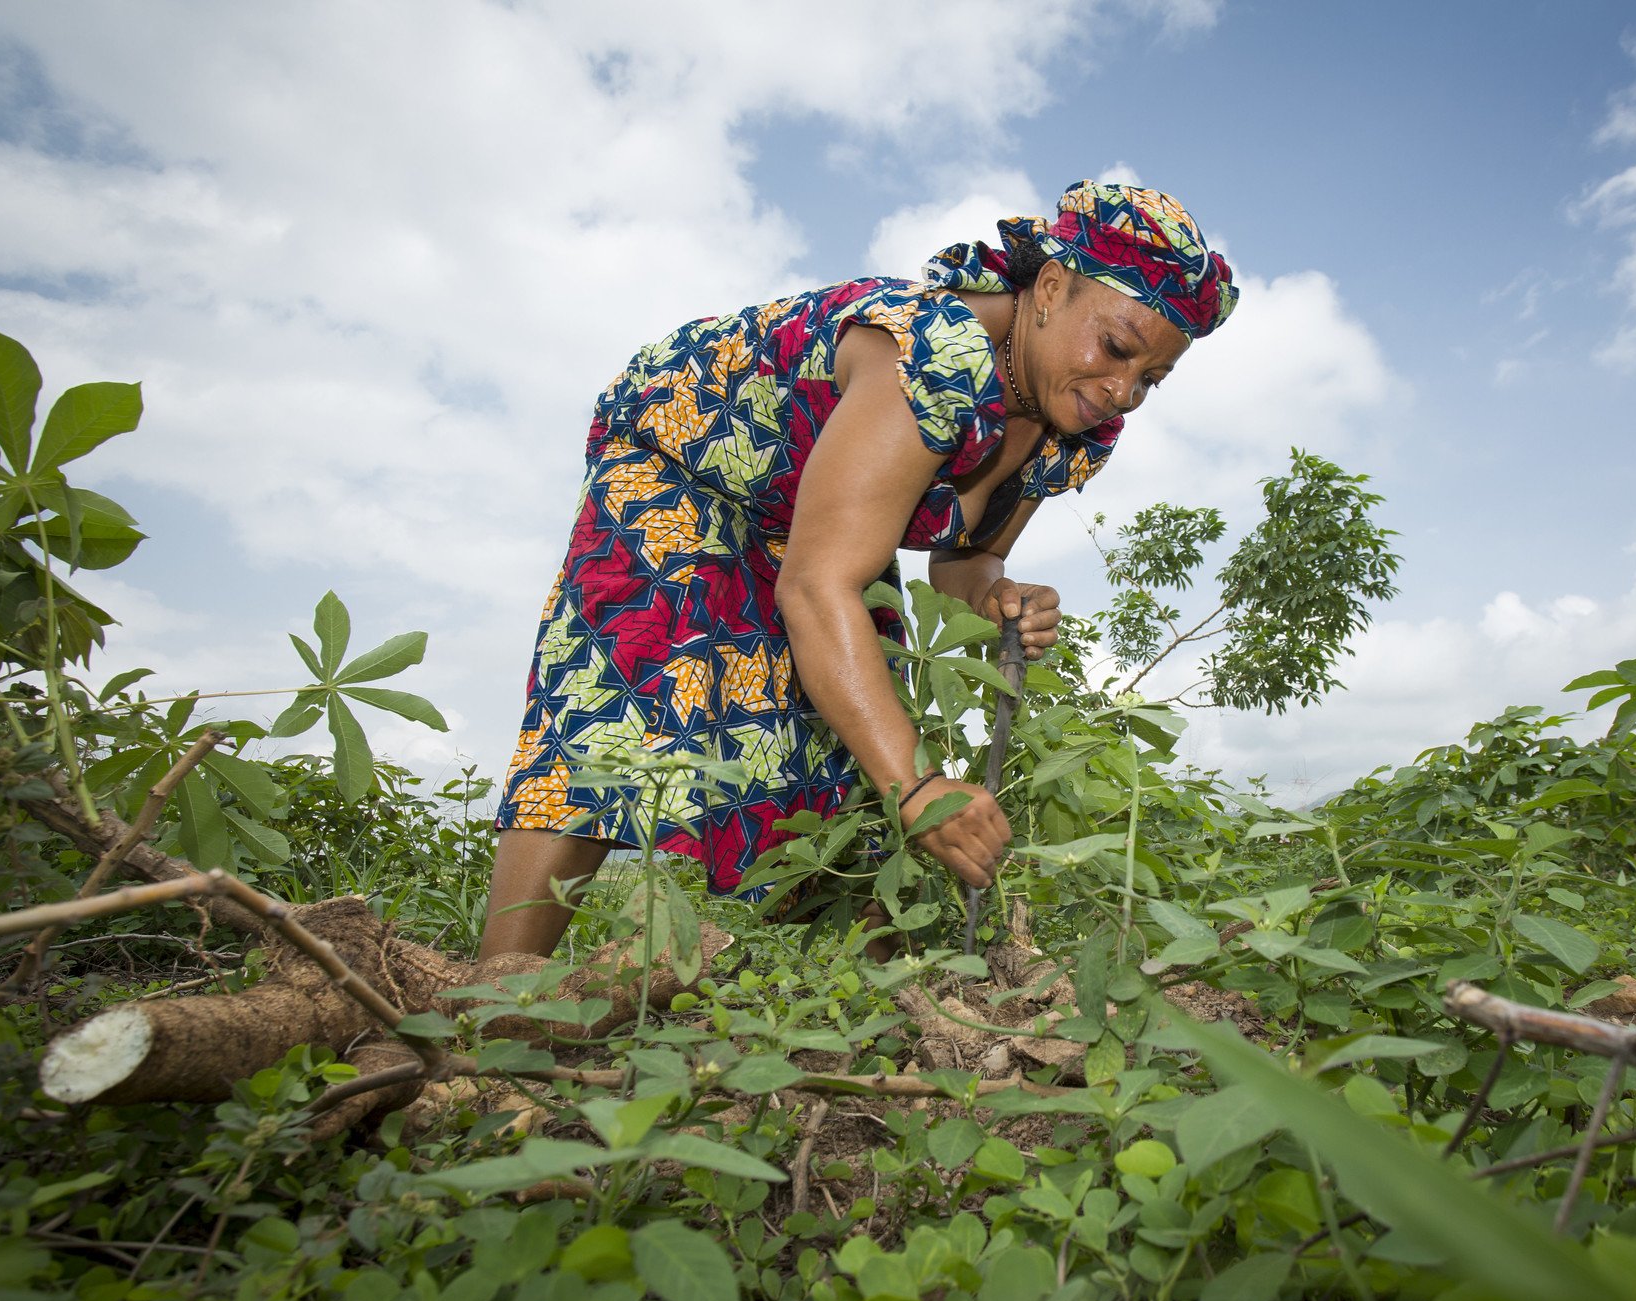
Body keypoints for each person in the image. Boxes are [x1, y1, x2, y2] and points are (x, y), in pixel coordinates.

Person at [479, 180, 1238, 961]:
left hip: (806, 529)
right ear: (1049, 289)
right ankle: (493, 1000)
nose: (1124, 390)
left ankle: (865, 1013)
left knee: (844, 758)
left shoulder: (1074, 427)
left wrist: (997, 595)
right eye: (1116, 348)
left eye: (1151, 378)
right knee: (618, 706)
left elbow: (968, 558)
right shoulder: (933, 355)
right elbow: (818, 587)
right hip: (681, 465)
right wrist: (919, 789)